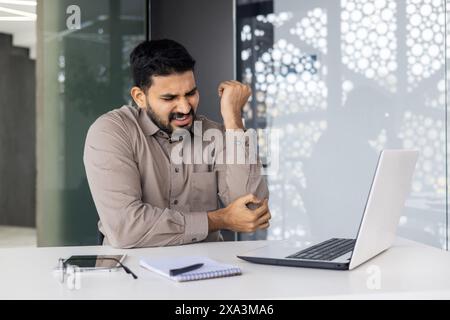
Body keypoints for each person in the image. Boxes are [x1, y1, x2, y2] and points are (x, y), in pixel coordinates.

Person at [83, 39, 270, 248]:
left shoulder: (212, 134)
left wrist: (233, 118)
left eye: (190, 94)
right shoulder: (112, 132)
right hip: (133, 273)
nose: (184, 107)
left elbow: (253, 211)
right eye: (169, 98)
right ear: (139, 97)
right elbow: (126, 229)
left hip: (208, 272)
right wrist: (220, 219)